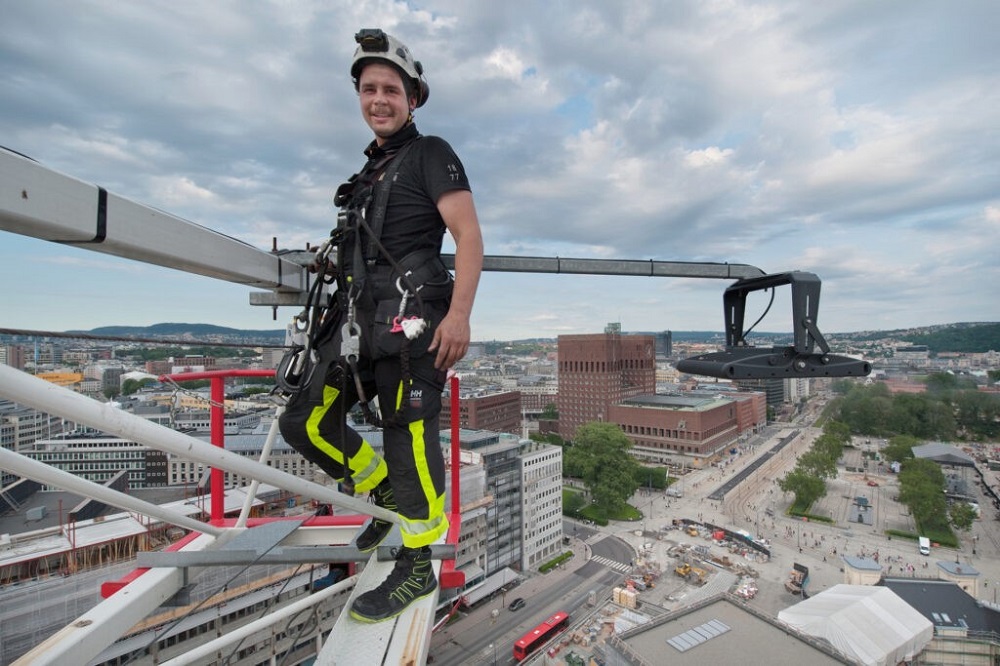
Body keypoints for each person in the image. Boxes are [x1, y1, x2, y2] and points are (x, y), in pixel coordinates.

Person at [278, 28, 483, 623]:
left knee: (408, 439)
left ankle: (417, 566)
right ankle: (385, 496)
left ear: (411, 97)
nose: (379, 100)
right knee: (305, 420)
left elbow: (468, 236)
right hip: (360, 325)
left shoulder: (430, 152)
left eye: (391, 89)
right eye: (369, 90)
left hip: (417, 324)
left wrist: (461, 316)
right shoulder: (372, 170)